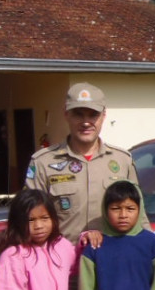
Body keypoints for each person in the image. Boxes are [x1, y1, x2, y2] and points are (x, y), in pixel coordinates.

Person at [24, 82, 143, 243]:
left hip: (111, 258)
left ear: (103, 116)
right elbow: (28, 216)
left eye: (93, 115)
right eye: (78, 114)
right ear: (66, 114)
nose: (86, 122)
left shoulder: (122, 160)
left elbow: (139, 214)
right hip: (63, 261)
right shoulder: (43, 162)